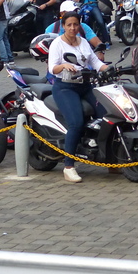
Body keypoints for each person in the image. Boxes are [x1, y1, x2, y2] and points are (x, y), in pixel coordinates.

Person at [47, 11, 108, 183]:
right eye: (69, 25)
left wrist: (108, 69)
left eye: (75, 24)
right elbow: (52, 68)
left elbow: (95, 62)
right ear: (64, 26)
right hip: (65, 87)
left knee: (106, 116)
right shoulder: (57, 44)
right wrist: (64, 65)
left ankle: (110, 158)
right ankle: (68, 166)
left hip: (86, 85)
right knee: (76, 122)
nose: (73, 28)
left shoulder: (83, 42)